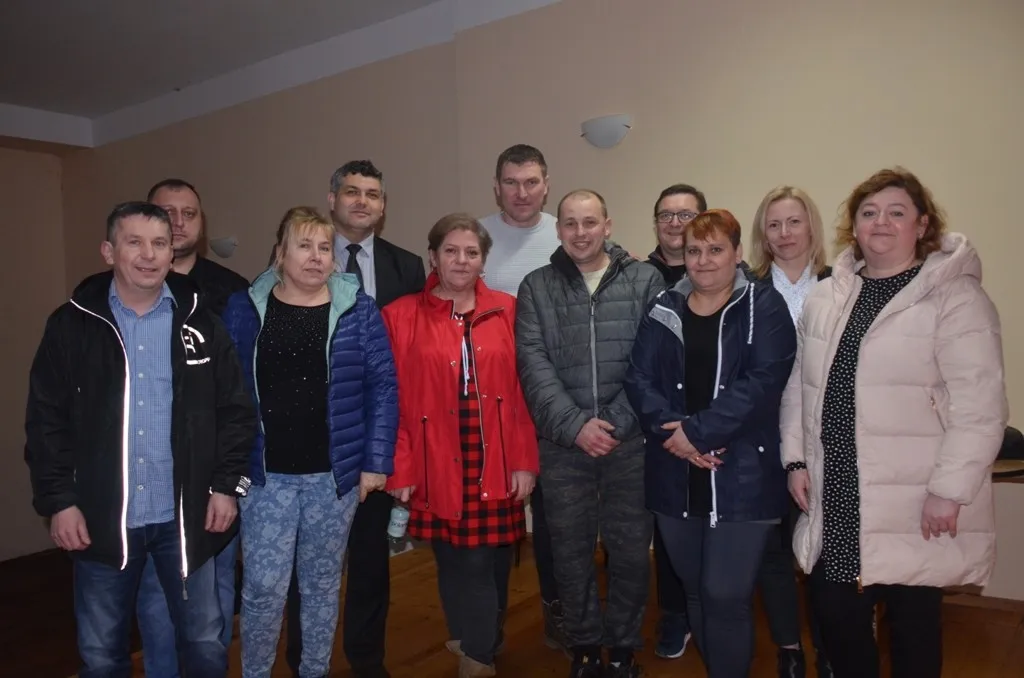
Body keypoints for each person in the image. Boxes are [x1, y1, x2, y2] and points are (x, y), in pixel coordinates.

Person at [781, 167, 1007, 678]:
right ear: (854, 225)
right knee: (837, 622)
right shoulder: (825, 297)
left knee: (914, 631)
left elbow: (980, 406)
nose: (880, 222)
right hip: (837, 490)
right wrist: (795, 460)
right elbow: (799, 389)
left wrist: (949, 490)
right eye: (869, 212)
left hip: (917, 497)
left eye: (896, 212)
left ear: (922, 225)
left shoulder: (955, 298)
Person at [25, 201, 256, 678]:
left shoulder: (201, 323)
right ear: (109, 251)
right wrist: (59, 501)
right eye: (135, 242)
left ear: (172, 253)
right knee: (101, 654)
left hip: (186, 519)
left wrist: (226, 486)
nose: (149, 255)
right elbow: (45, 422)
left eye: (159, 243)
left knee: (204, 645)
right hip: (101, 521)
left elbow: (235, 411)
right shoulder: (71, 326)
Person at [222, 206, 399, 678]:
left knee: (321, 586)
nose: (317, 256)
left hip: (333, 478)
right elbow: (224, 389)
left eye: (325, 247)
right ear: (280, 253)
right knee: (263, 589)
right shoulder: (244, 308)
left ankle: (313, 671)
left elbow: (383, 387)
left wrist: (375, 462)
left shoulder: (359, 309)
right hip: (264, 477)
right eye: (304, 245)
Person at [625, 208, 796, 678]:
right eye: (694, 251)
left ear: (738, 253)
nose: (703, 261)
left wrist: (696, 434)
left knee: (725, 594)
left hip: (741, 474)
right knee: (696, 591)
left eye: (716, 249)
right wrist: (678, 435)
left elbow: (763, 384)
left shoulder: (763, 306)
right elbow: (639, 379)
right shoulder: (664, 306)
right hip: (675, 471)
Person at [283, 160, 424, 678]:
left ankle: (367, 661)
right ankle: (303, 662)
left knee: (369, 562)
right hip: (308, 442)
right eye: (351, 191)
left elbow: (409, 360)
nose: (362, 201)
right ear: (332, 199)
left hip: (373, 440)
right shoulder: (299, 261)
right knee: (306, 567)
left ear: (383, 206)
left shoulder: (407, 267)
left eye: (372, 194)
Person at [383, 213, 540, 678]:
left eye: (472, 252)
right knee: (452, 555)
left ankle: (478, 648)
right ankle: (478, 641)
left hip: (496, 455)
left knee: (487, 558)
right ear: (433, 256)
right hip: (433, 458)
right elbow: (391, 402)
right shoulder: (400, 315)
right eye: (450, 251)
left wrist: (524, 461)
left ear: (483, 260)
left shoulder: (509, 310)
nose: (461, 260)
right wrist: (400, 467)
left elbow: (525, 394)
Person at [516, 189, 664, 678]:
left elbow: (654, 361)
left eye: (590, 222)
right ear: (557, 229)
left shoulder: (645, 280)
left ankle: (621, 647)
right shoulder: (536, 287)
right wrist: (575, 427)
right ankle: (583, 646)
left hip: (630, 444)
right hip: (564, 446)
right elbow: (533, 366)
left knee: (630, 552)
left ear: (608, 225)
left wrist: (617, 423)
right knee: (570, 552)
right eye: (570, 223)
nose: (580, 233)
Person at [137, 178, 251, 678]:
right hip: (149, 481)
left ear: (202, 225)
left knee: (217, 595)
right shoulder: (122, 291)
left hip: (213, 478)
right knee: (154, 600)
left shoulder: (232, 291)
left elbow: (243, 391)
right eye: (168, 213)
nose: (179, 223)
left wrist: (232, 478)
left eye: (190, 214)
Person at [478, 144, 568, 654]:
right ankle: (486, 623)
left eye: (531, 182)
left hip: (552, 399)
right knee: (495, 519)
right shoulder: (475, 238)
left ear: (546, 185)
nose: (521, 192)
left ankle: (558, 610)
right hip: (490, 403)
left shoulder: (565, 235)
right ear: (497, 187)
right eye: (511, 182)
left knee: (555, 519)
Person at [748, 186, 833, 678]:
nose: (784, 234)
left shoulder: (841, 286)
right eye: (774, 224)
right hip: (763, 437)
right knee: (774, 549)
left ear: (811, 227)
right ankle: (789, 648)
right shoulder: (747, 288)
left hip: (825, 437)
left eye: (794, 222)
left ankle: (829, 648)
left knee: (825, 550)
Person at [642, 182, 709, 660]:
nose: (675, 223)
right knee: (667, 528)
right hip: (658, 424)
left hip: (712, 423)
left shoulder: (730, 277)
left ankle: (713, 610)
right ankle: (674, 613)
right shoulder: (635, 276)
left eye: (686, 215)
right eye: (666, 215)